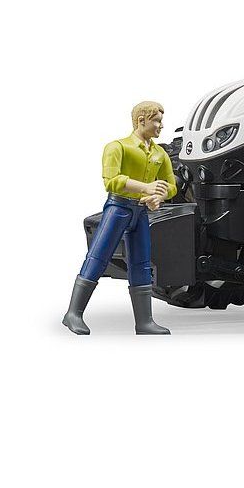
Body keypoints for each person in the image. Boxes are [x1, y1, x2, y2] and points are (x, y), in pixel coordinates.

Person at [62, 101, 178, 335]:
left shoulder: (160, 153)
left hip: (141, 212)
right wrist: (146, 188)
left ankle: (144, 321)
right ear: (141, 120)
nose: (161, 125)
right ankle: (73, 313)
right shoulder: (117, 147)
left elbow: (171, 185)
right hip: (118, 208)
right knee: (98, 257)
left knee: (141, 263)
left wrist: (158, 196)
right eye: (156, 120)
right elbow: (111, 181)